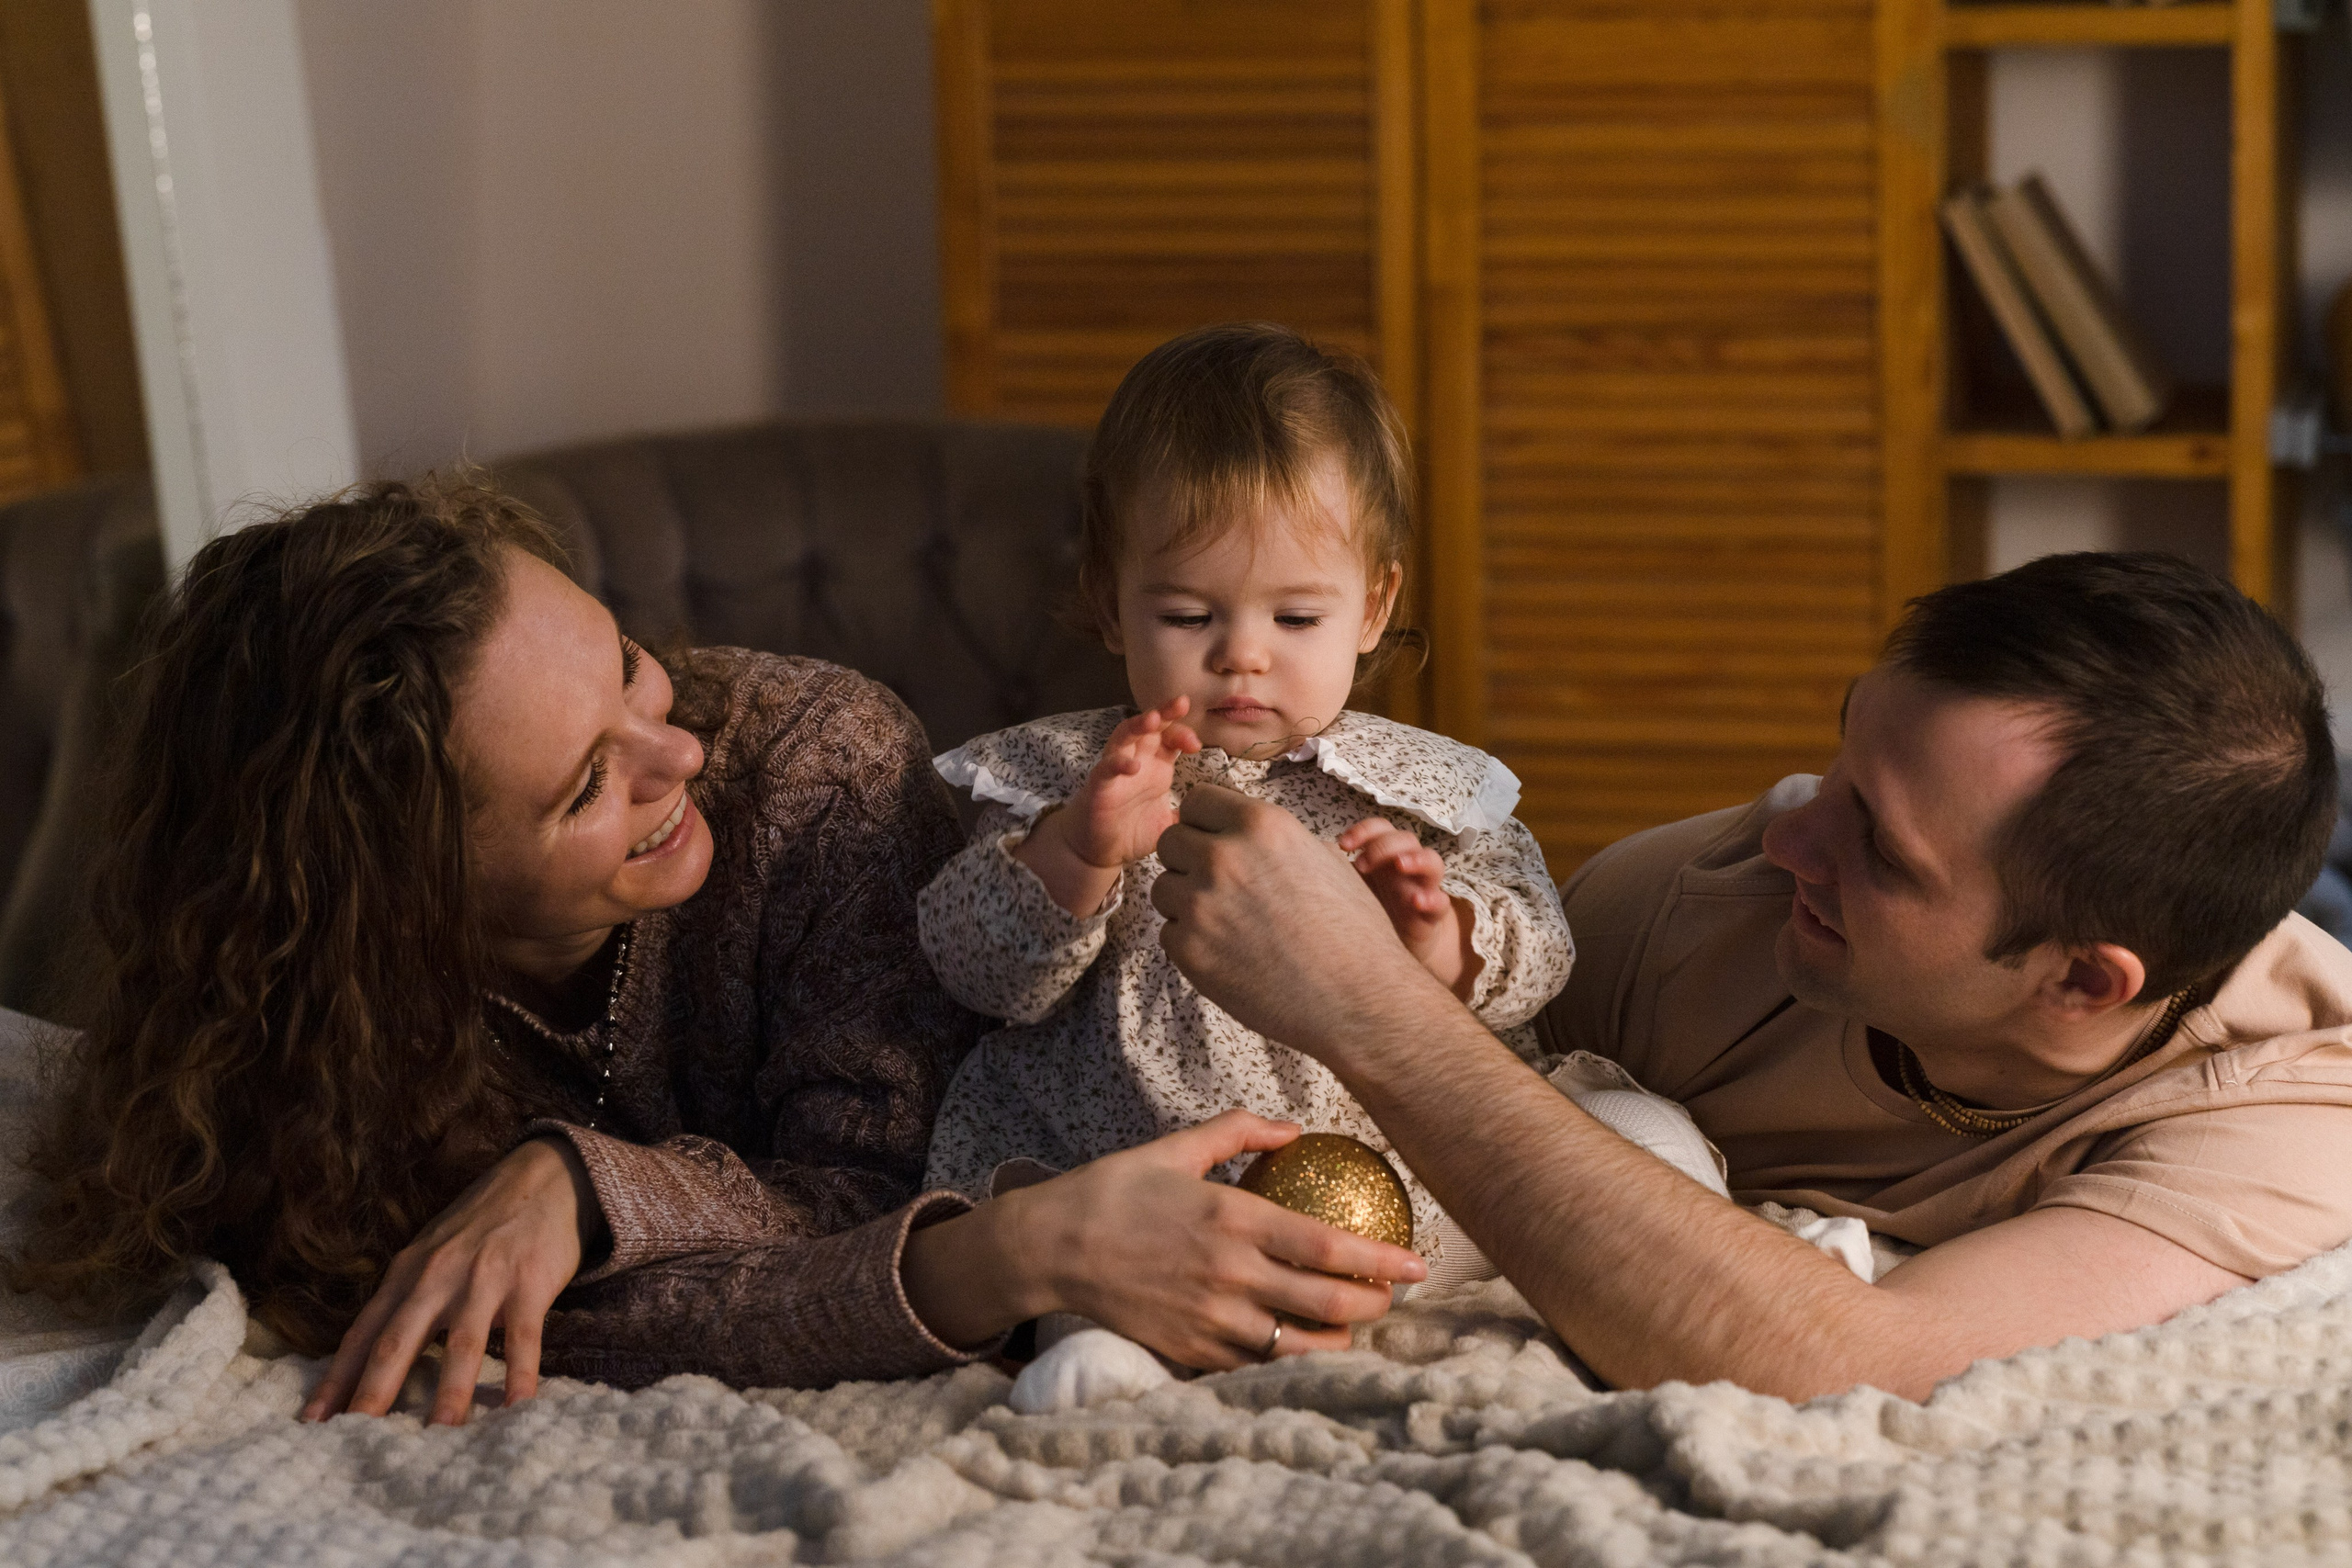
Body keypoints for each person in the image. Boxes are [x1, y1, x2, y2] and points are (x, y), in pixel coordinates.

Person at [6, 478, 1425, 1427]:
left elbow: (887, 1185)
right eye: (587, 784)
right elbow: (485, 1316)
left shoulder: (811, 760)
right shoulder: (316, 1035)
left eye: (629, 665)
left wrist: (585, 1181)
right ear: (397, 899)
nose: (676, 750)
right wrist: (587, 1213)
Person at [1148, 550, 2352, 1401]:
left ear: (2084, 983)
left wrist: (1378, 1010)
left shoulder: (2290, 1118)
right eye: (1841, 761)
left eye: (1880, 847)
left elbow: (1866, 1363)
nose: (1791, 837)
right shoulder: (1698, 902)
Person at [918, 323, 1572, 1288]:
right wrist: (1077, 854)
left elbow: (1546, 947)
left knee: (1607, 1157)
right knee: (1067, 1270)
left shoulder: (1420, 791)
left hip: (1383, 1163)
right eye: (1188, 616)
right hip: (1122, 1172)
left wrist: (1443, 941)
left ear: (1374, 607)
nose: (1242, 655)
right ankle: (1094, 1336)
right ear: (1109, 602)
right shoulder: (1064, 777)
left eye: (1297, 617)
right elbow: (969, 971)